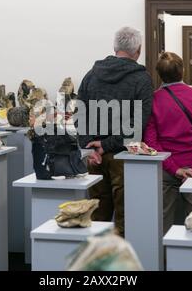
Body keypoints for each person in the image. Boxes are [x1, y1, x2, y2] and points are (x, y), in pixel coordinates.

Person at [77, 27, 154, 236]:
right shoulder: (142, 79)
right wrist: (106, 145)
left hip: (94, 155)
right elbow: (138, 123)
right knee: (125, 218)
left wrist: (90, 146)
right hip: (123, 156)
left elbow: (79, 114)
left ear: (114, 48)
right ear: (138, 50)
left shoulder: (91, 75)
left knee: (96, 217)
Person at [144, 52, 192, 235]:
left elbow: (152, 143)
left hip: (166, 170)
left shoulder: (153, 100)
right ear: (183, 70)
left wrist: (175, 169)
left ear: (159, 74)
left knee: (163, 224)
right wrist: (191, 168)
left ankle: (164, 262)